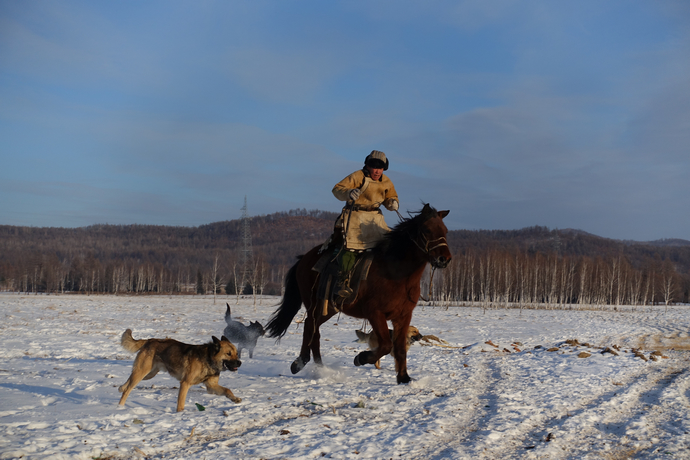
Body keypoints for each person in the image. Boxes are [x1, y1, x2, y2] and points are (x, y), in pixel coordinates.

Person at [331, 150, 399, 298]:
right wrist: (348, 193)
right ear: (367, 166)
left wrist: (392, 203)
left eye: (380, 168)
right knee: (351, 247)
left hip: (375, 218)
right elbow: (337, 189)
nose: (377, 170)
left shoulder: (386, 181)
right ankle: (342, 281)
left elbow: (391, 196)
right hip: (355, 216)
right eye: (374, 166)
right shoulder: (357, 176)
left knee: (391, 245)